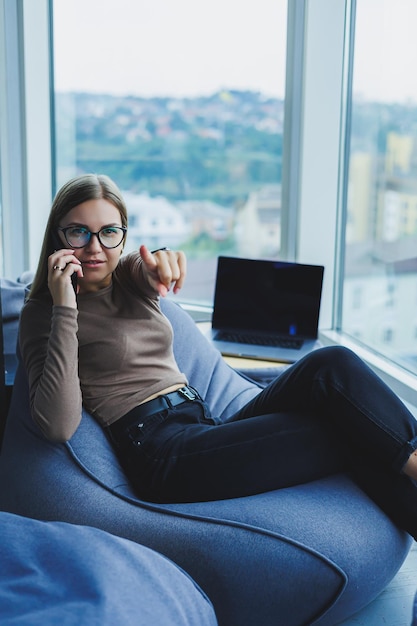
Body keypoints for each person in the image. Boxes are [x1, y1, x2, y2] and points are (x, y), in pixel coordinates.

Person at [19, 173, 417, 540]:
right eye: (78, 232)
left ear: (122, 235)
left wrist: (161, 261)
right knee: (347, 429)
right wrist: (64, 306)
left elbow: (148, 267)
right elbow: (58, 425)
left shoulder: (125, 275)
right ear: (58, 235)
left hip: (204, 423)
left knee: (332, 364)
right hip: (164, 455)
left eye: (109, 232)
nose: (94, 248)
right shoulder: (43, 315)